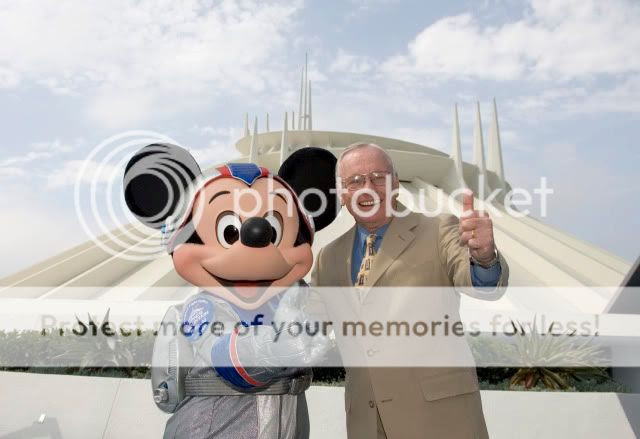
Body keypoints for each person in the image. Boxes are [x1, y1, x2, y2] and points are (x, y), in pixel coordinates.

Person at [311, 142, 509, 439]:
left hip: (441, 421)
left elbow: (479, 282)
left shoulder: (439, 229)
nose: (368, 188)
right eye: (355, 181)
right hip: (367, 422)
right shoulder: (328, 258)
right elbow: (308, 325)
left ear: (395, 182)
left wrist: (483, 258)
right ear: (342, 192)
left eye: (378, 177)